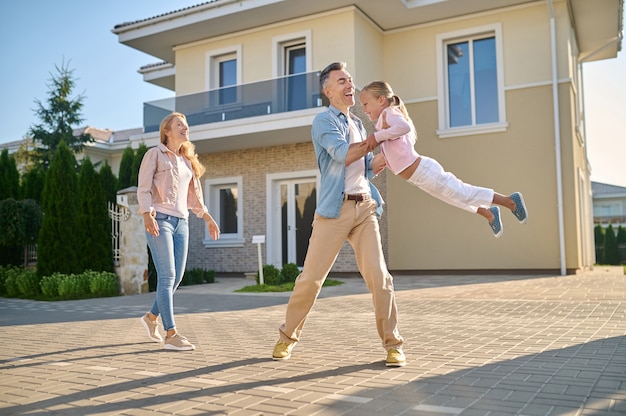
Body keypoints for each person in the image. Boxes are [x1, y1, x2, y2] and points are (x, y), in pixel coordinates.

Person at [273, 62, 406, 367]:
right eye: (342, 81)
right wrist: (379, 138)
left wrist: (392, 154)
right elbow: (344, 155)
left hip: (364, 208)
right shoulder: (323, 122)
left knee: (380, 277)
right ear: (328, 90)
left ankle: (393, 344)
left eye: (350, 80)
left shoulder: (359, 123)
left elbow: (365, 166)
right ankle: (286, 337)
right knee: (311, 280)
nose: (350, 85)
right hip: (334, 210)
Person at [359, 81, 528, 238]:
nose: (364, 109)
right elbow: (389, 155)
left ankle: (510, 201)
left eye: (365, 104)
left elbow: (405, 127)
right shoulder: (383, 123)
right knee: (453, 198)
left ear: (381, 100)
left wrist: (378, 136)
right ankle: (488, 213)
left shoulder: (389, 113)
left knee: (462, 192)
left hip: (424, 171)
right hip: (418, 177)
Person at [137, 112, 220, 351]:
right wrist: (146, 214)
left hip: (181, 223)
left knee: (176, 277)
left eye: (186, 125)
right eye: (179, 125)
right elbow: (143, 188)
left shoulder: (186, 162)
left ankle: (151, 317)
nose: (185, 128)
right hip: (159, 219)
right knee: (168, 275)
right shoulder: (154, 154)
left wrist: (207, 217)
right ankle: (171, 334)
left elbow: (193, 198)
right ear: (167, 131)